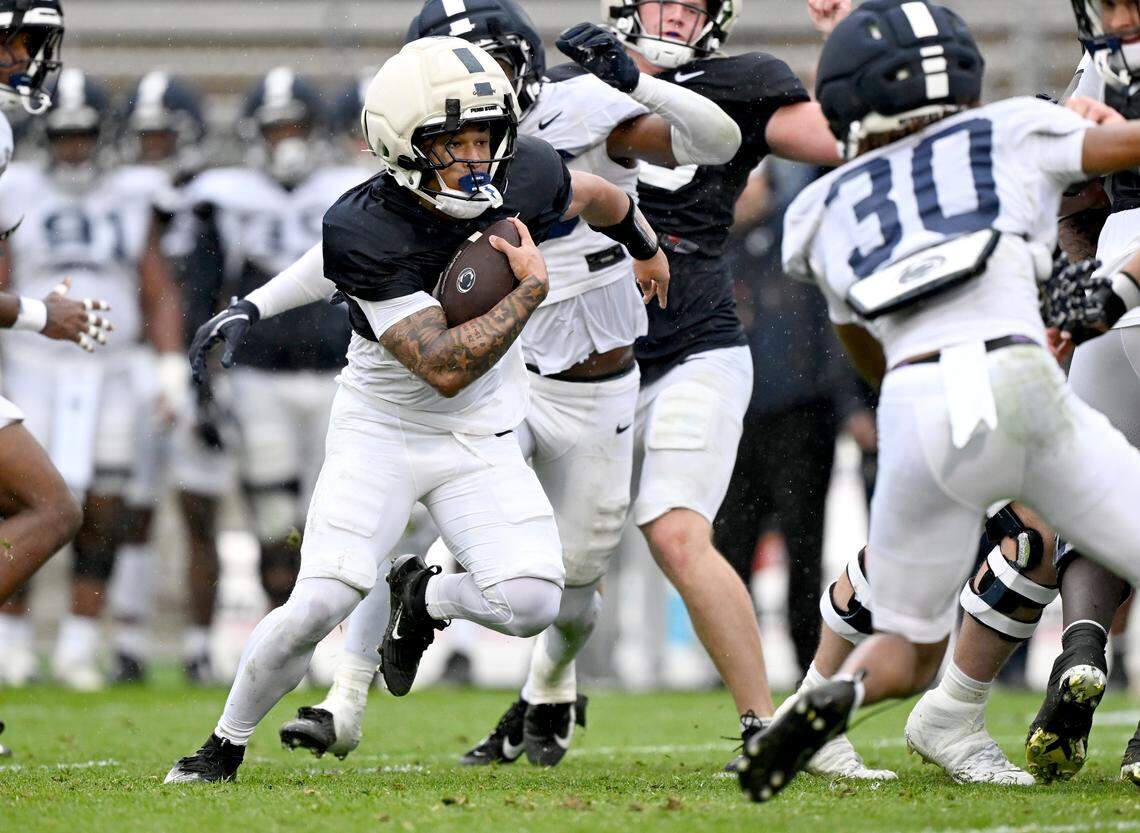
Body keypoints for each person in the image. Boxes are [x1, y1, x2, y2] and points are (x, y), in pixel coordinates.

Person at [163, 36, 669, 784]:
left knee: (532, 598)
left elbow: (600, 197)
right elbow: (443, 366)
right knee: (318, 604)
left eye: (483, 138)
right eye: (453, 142)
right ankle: (223, 744)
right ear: (401, 146)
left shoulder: (520, 169)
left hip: (482, 431)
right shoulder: (366, 227)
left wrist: (646, 247)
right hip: (386, 427)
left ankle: (423, 591)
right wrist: (530, 290)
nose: (475, 158)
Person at [276, 0, 738, 769]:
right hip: (506, 371)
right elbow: (347, 243)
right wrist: (256, 303)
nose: (469, 102)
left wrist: (643, 90)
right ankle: (342, 699)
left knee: (574, 576)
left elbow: (706, 146)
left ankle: (549, 686)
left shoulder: (575, 111)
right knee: (408, 520)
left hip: (597, 375)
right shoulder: (423, 148)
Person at [738, 0, 1140, 802]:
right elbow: (1119, 153)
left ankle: (836, 698)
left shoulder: (816, 210)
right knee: (1040, 535)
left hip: (917, 399)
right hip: (1019, 376)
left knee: (911, 640)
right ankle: (945, 703)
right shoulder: (1009, 129)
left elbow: (862, 345)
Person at [597, 0, 841, 766]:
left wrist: (849, 47)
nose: (673, 16)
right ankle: (533, 692)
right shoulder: (576, 87)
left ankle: (762, 723)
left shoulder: (743, 82)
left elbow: (839, 140)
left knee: (676, 531)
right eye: (659, 0)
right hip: (586, 361)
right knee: (554, 566)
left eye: (692, 5)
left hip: (696, 344)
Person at [0, 67, 181, 692]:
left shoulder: (132, 192)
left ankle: (80, 643)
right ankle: (13, 642)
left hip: (107, 368)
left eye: (83, 135)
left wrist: (168, 364)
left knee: (105, 506)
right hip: (34, 361)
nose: (73, 147)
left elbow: (156, 286)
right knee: (22, 500)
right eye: (62, 134)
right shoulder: (16, 184)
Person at [179, 69, 364, 618]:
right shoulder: (225, 196)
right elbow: (203, 293)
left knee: (337, 512)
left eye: (297, 128)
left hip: (339, 372)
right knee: (273, 515)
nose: (288, 142)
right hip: (259, 373)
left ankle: (337, 638)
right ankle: (282, 627)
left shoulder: (351, 188)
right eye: (276, 129)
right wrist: (198, 384)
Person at [1018, 0, 1140, 786]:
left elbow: (1061, 188)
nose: (1121, 19)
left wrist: (1081, 280)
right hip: (1120, 278)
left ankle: (1083, 645)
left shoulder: (1103, 65)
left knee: (1104, 495)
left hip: (1114, 267)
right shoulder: (1106, 65)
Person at [106, 70, 210, 684]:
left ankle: (200, 647)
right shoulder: (113, 196)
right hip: (133, 363)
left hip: (200, 362)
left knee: (200, 506)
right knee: (131, 506)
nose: (152, 151)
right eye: (144, 139)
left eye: (162, 138)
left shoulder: (214, 195)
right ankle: (126, 640)